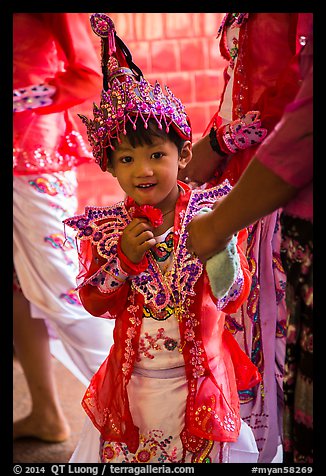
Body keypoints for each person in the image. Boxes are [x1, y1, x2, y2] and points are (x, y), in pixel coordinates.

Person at [64, 13, 262, 463]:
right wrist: (123, 260)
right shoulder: (109, 227)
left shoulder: (211, 213)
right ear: (110, 168)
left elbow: (233, 297)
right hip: (134, 384)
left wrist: (221, 251)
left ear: (184, 153)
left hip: (201, 382)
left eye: (157, 154)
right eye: (128, 158)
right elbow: (94, 301)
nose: (144, 169)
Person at [179, 13, 312, 463]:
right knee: (237, 328)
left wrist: (217, 143)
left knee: (272, 338)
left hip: (270, 195)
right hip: (236, 188)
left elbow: (291, 103)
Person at [13, 13, 115, 442]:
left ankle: (143, 413)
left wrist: (17, 100)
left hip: (36, 157)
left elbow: (89, 76)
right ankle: (46, 414)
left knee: (65, 291)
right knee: (18, 289)